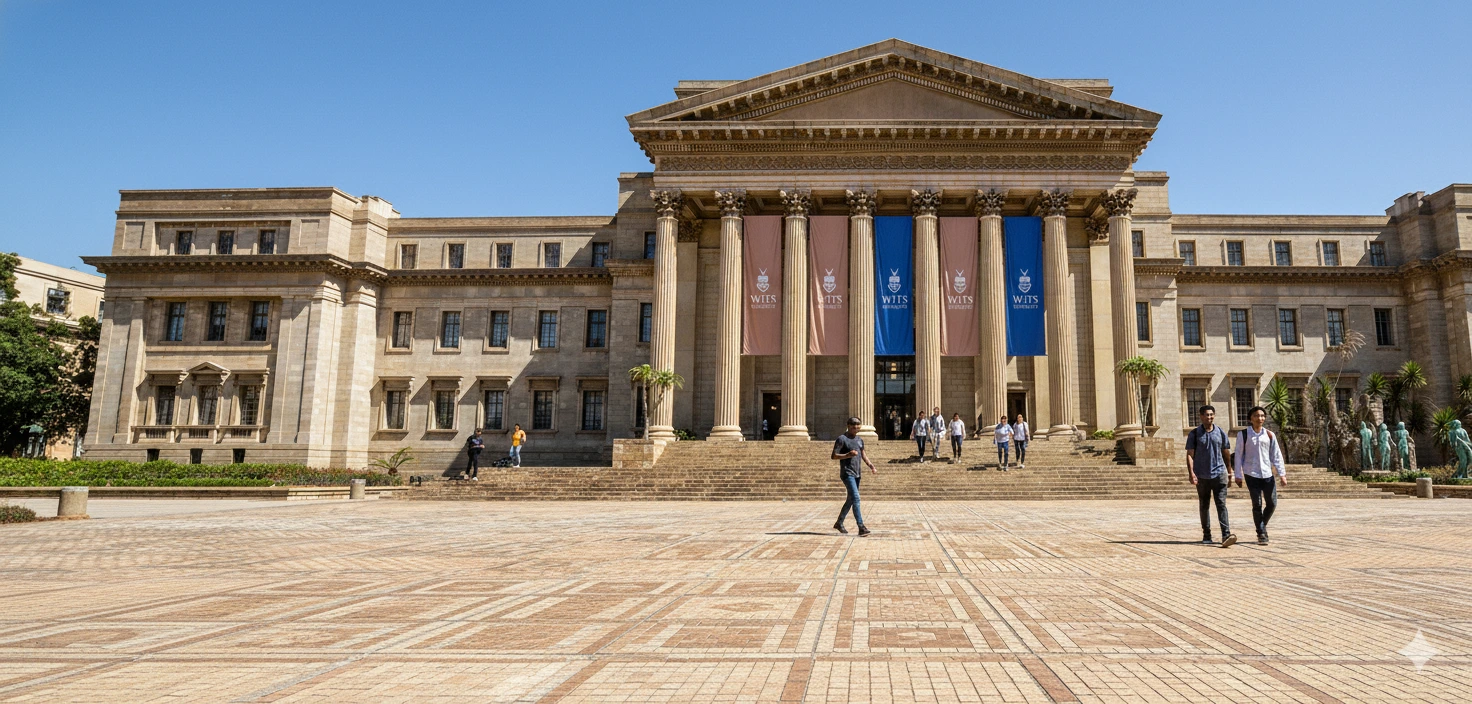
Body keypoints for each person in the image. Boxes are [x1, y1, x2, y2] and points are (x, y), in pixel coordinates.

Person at [1232, 406, 1286, 545]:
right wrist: (1238, 475)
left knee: (1272, 503)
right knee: (1257, 504)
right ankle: (1261, 533)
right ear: (1251, 418)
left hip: (1267, 473)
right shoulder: (1243, 435)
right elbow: (1238, 455)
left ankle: (1261, 525)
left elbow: (1276, 455)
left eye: (1262, 416)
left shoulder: (1269, 435)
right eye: (1256, 415)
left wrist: (1282, 474)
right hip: (1251, 474)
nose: (1260, 418)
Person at [1186, 405, 1236, 547]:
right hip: (1201, 475)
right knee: (1204, 505)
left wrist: (1229, 471)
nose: (1209, 417)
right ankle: (1206, 534)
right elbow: (1190, 455)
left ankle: (1226, 534)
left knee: (1221, 504)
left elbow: (1226, 452)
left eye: (1211, 415)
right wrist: (1191, 473)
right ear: (1201, 416)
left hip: (1219, 473)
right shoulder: (1194, 434)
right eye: (1207, 415)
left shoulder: (1220, 432)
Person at [832, 416, 877, 536]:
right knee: (856, 498)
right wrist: (847, 455)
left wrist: (871, 465)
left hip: (857, 473)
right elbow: (834, 455)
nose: (856, 427)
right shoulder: (841, 439)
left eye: (858, 425)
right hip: (847, 473)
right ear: (848, 426)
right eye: (853, 425)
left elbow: (863, 455)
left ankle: (839, 522)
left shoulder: (859, 440)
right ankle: (861, 526)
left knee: (851, 499)